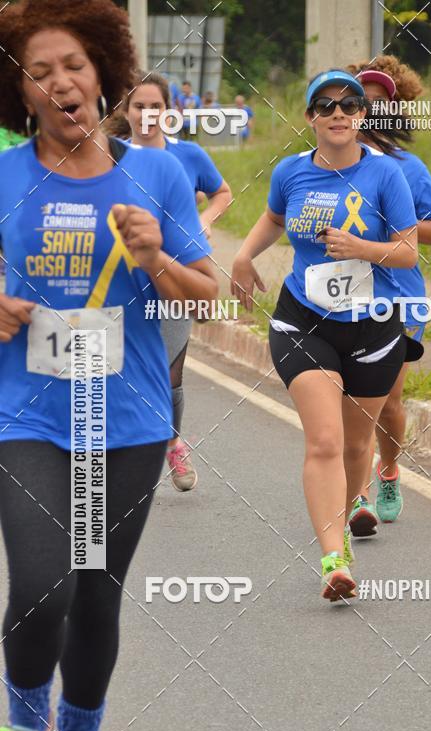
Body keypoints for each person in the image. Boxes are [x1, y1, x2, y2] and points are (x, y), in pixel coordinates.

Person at [0, 0, 217, 731]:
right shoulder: (6, 177)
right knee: (42, 584)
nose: (60, 83)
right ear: (22, 95)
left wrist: (156, 255)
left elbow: (206, 296)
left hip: (125, 421)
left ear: (103, 75)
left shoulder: (155, 174)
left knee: (95, 592)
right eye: (39, 72)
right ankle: (24, 727)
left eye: (73, 66)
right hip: (25, 412)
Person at [231, 69, 422, 602]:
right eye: (325, 104)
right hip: (302, 321)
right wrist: (245, 255)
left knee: (357, 443)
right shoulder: (291, 172)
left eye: (349, 104)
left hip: (375, 327)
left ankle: (360, 498)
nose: (337, 112)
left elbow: (408, 252)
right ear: (311, 117)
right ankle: (334, 560)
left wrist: (363, 249)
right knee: (324, 440)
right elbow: (271, 219)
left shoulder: (386, 176)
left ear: (363, 116)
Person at [347, 57, 431, 536]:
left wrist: (390, 226)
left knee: (387, 401)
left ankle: (388, 473)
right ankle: (356, 495)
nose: (370, 106)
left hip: (399, 298)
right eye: (361, 97)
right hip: (344, 296)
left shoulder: (410, 168)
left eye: (380, 100)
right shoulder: (330, 164)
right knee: (354, 400)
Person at [125, 71, 232, 491]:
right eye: (139, 106)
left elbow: (221, 192)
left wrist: (202, 222)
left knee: (170, 373)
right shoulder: (111, 158)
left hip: (177, 278)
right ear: (126, 111)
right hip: (122, 286)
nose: (148, 114)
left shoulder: (187, 156)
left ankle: (171, 441)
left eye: (156, 107)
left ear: (169, 111)